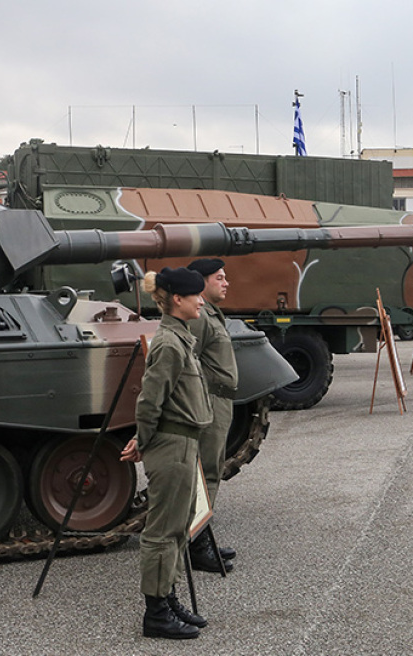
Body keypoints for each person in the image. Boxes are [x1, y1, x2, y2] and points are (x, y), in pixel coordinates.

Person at [120, 267, 213, 640]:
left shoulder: (181, 339)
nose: (201, 301)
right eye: (196, 295)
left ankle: (167, 597)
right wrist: (142, 441)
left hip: (183, 444)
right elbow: (149, 401)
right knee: (162, 533)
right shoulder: (169, 344)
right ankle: (156, 613)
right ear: (177, 299)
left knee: (177, 528)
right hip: (172, 445)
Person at [186, 258, 238, 573]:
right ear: (201, 282)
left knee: (211, 471)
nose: (226, 282)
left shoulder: (210, 314)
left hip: (219, 400)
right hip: (209, 401)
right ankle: (197, 545)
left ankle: (202, 538)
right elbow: (186, 360)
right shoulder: (201, 317)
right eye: (219, 277)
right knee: (205, 474)